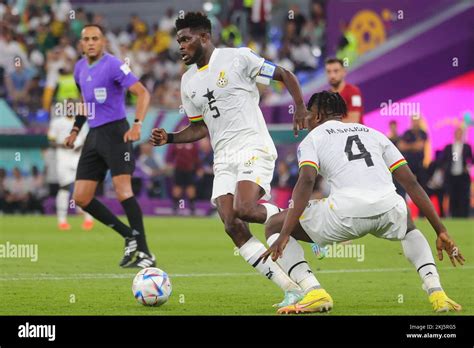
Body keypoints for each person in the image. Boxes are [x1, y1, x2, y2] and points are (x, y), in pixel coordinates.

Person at [150, 12, 313, 308]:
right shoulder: (188, 82)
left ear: (204, 37)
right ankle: (290, 288)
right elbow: (200, 127)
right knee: (231, 223)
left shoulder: (238, 58)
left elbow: (284, 75)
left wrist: (300, 107)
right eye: (179, 41)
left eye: (186, 39)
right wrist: (171, 138)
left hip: (252, 144)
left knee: (245, 207)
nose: (181, 46)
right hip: (223, 157)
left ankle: (305, 222)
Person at [262, 91, 464, 314]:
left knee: (273, 224)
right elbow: (412, 184)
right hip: (387, 208)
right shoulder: (374, 134)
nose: (307, 119)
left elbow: (307, 180)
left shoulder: (313, 138)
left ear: (317, 115)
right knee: (408, 226)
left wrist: (284, 234)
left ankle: (314, 291)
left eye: (309, 114)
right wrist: (441, 230)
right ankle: (437, 292)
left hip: (346, 215)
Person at [64, 24, 155, 268]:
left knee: (123, 190)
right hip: (93, 135)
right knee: (81, 197)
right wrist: (75, 131)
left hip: (117, 133)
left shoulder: (114, 65)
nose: (91, 42)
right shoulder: (79, 68)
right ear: (81, 44)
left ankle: (145, 252)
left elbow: (143, 93)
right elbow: (85, 104)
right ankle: (129, 236)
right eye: (87, 39)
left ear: (103, 42)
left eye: (95, 38)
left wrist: (137, 124)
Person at [48, 103, 93, 230]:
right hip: (63, 157)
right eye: (67, 107)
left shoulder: (81, 122)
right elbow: (51, 140)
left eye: (72, 107)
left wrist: (79, 146)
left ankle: (88, 219)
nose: (69, 109)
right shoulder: (57, 122)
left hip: (78, 156)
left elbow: (87, 139)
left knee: (83, 187)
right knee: (65, 187)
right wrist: (63, 145)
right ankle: (62, 220)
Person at [442, 127, 472, 217]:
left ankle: (464, 215)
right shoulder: (448, 147)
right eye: (457, 133)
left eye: (460, 133)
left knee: (463, 197)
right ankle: (454, 215)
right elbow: (444, 160)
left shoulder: (467, 147)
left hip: (463, 177)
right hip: (451, 176)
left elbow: (471, 160)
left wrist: (468, 166)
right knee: (453, 197)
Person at [325, 57, 363, 124]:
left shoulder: (354, 92)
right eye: (329, 72)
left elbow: (354, 120)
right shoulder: (325, 97)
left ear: (344, 72)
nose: (332, 76)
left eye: (336, 71)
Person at [166, 142, 200, 215]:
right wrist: (169, 163)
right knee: (177, 187)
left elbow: (196, 156)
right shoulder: (176, 141)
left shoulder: (193, 142)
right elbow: (169, 155)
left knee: (190, 188)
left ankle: (192, 207)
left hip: (190, 169)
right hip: (178, 169)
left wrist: (198, 167)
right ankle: (175, 207)